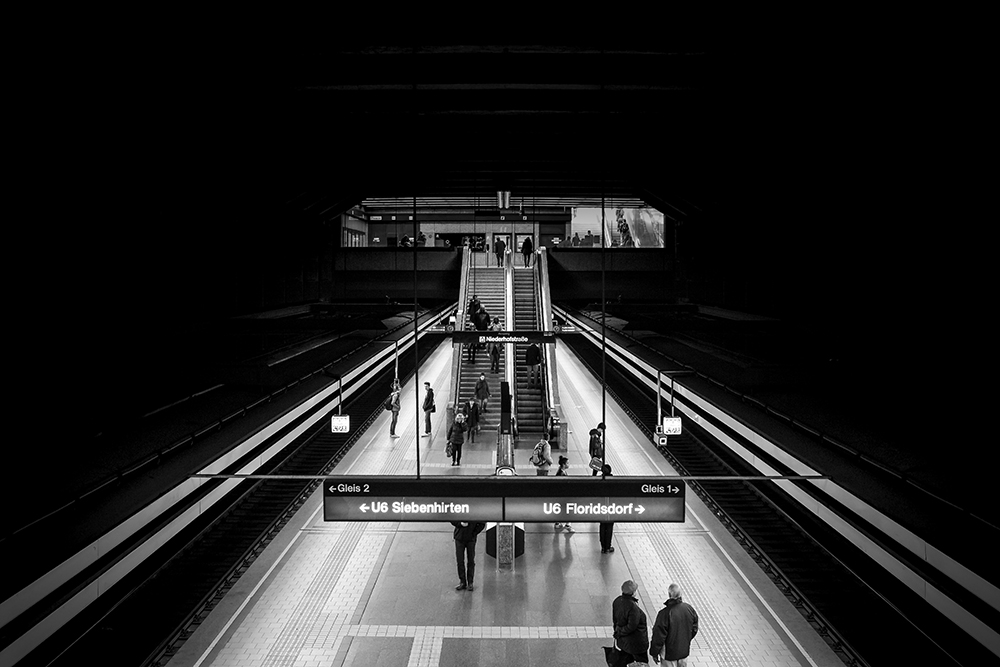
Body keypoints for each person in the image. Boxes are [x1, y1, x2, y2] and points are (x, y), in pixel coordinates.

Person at [649, 583, 699, 666]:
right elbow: (694, 628)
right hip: (684, 652)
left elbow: (658, 636)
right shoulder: (689, 609)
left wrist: (654, 652)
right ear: (681, 594)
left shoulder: (664, 614)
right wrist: (686, 640)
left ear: (669, 595)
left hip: (669, 654)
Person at [612, 580, 649, 666]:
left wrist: (618, 632)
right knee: (642, 663)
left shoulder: (617, 601)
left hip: (623, 642)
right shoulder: (633, 608)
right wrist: (620, 631)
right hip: (636, 644)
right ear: (633, 593)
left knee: (625, 661)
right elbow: (632, 626)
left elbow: (615, 620)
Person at [451, 520, 486, 591]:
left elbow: (482, 523)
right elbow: (452, 519)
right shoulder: (459, 509)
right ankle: (462, 582)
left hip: (470, 539)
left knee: (471, 561)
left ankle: (470, 582)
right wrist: (460, 524)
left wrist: (474, 533)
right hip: (459, 538)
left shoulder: (475, 512)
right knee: (460, 561)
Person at [553, 456, 574, 532]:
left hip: (560, 495)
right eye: (567, 463)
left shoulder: (561, 471)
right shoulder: (561, 474)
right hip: (563, 495)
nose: (569, 464)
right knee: (568, 509)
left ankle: (558, 523)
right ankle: (568, 524)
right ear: (563, 464)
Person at [600, 463, 615, 552]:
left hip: (601, 507)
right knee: (609, 526)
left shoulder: (600, 480)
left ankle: (603, 547)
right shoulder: (613, 480)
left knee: (602, 525)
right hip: (611, 507)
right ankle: (608, 546)